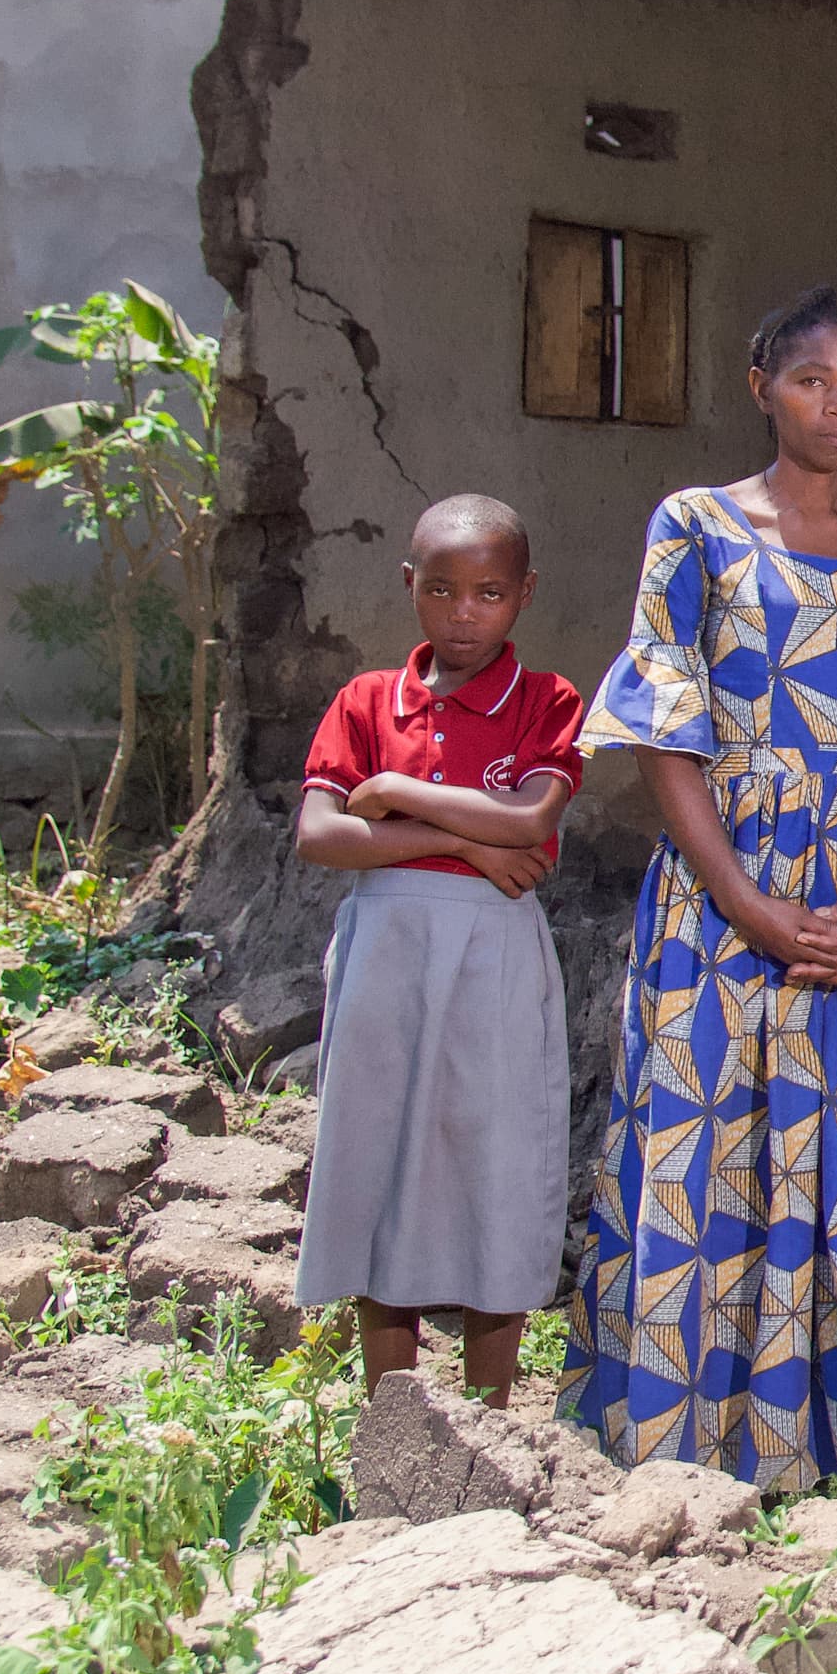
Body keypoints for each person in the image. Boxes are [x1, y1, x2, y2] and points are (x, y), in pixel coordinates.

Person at [566, 284, 837, 1493]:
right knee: (709, 1156)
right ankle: (681, 1469)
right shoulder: (695, 528)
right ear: (762, 385)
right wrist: (749, 907)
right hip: (723, 903)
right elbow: (666, 732)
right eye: (813, 379)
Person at [289, 492, 584, 1406]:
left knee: (494, 1153)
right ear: (410, 585)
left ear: (524, 593)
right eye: (444, 589)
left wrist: (389, 790)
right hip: (386, 950)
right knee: (379, 1152)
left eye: (489, 592)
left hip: (493, 954)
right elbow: (319, 834)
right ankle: (394, 1418)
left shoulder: (546, 700)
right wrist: (460, 841)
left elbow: (532, 819)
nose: (465, 611)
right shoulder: (367, 698)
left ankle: (491, 1419)